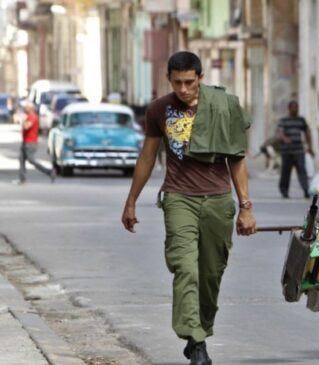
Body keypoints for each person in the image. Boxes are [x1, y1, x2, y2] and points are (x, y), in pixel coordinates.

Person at [121, 51, 256, 365]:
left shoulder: (223, 106)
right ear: (168, 79)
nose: (183, 89)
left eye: (189, 82)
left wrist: (245, 207)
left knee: (211, 274)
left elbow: (236, 158)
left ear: (201, 78)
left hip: (218, 199)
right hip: (179, 197)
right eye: (177, 82)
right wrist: (131, 201)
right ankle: (195, 341)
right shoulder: (158, 109)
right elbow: (147, 157)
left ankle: (201, 330)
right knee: (185, 268)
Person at [277, 100, 313, 198]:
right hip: (287, 150)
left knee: (302, 170)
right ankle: (284, 191)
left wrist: (309, 145)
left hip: (299, 150)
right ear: (289, 108)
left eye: (296, 107)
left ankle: (306, 190)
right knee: (285, 171)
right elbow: (280, 131)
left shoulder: (301, 120)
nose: (295, 109)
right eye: (293, 107)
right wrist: (284, 138)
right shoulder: (283, 120)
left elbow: (307, 132)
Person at [14, 102, 55, 184]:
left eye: (26, 107)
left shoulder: (32, 117)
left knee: (31, 160)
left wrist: (21, 119)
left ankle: (49, 172)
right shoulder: (29, 116)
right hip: (25, 141)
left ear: (30, 108)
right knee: (21, 159)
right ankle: (22, 179)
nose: (24, 109)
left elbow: (26, 126)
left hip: (30, 142)